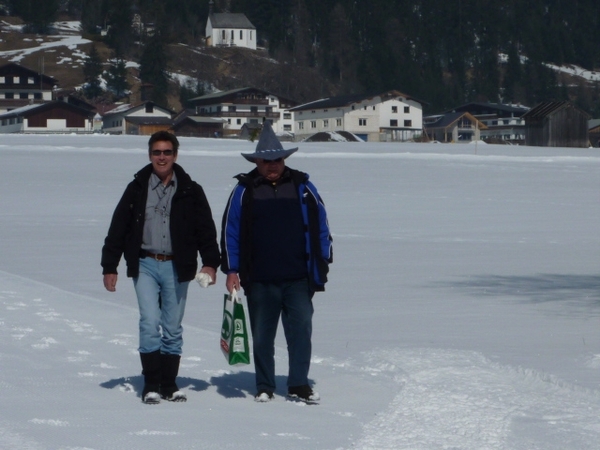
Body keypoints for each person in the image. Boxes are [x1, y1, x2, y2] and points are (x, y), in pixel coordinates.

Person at [101, 131, 220, 404]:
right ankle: (151, 384)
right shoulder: (137, 188)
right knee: (149, 321)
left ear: (175, 155)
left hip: (177, 266)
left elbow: (205, 231)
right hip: (145, 263)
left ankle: (169, 384)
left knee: (172, 326)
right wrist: (110, 266)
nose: (162, 157)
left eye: (167, 152)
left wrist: (211, 263)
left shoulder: (191, 190)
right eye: (157, 152)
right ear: (150, 155)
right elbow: (118, 227)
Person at [220, 122, 333, 403]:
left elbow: (322, 225)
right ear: (257, 162)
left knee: (301, 330)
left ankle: (298, 383)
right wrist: (232, 269)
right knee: (262, 336)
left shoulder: (302, 186)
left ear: (284, 160)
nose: (272, 166)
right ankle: (265, 385)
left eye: (277, 160)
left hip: (298, 276)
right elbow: (230, 230)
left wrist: (324, 258)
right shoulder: (244, 190)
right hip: (259, 277)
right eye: (266, 161)